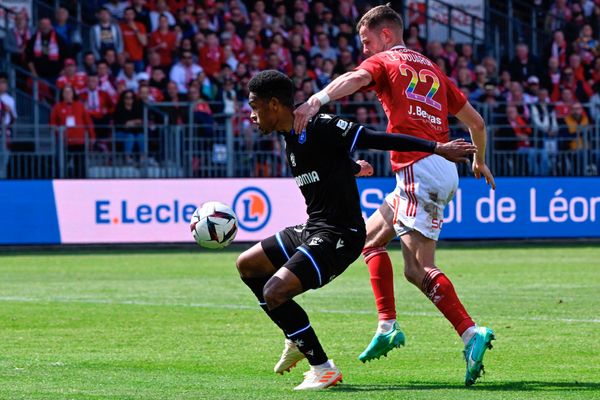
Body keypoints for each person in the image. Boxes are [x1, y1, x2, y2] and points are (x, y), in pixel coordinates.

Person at [293, 4, 496, 386]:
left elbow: (352, 79)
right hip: (437, 168)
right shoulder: (432, 68)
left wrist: (316, 100)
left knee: (417, 269)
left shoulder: (386, 60)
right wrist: (479, 161)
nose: (366, 50)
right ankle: (387, 324)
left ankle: (471, 334)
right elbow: (477, 123)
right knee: (370, 239)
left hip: (419, 167)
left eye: (367, 41)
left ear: (386, 35)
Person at [236, 70, 477, 391]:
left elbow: (376, 138)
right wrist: (353, 168)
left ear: (275, 104)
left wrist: (436, 148)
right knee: (248, 265)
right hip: (313, 228)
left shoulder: (318, 125)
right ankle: (295, 335)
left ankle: (322, 368)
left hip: (340, 235)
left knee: (275, 293)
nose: (251, 115)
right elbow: (326, 161)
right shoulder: (290, 136)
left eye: (255, 106)